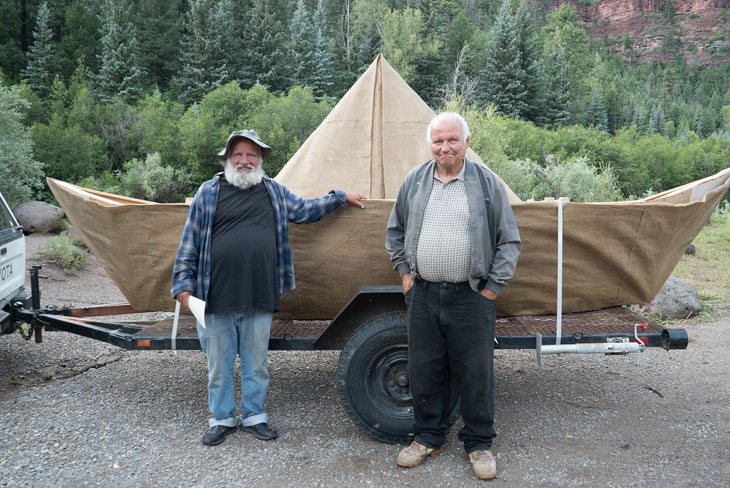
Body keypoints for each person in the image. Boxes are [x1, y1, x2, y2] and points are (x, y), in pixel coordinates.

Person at [171, 130, 366, 446]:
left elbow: (304, 210)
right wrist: (182, 286)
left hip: (259, 295)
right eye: (239, 155)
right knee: (218, 366)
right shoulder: (208, 193)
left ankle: (254, 417)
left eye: (252, 155)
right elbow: (188, 243)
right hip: (214, 297)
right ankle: (221, 420)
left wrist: (339, 197)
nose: (245, 161)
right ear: (227, 159)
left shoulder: (274, 191)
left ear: (260, 160)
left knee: (256, 365)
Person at [385, 112, 521, 479]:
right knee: (424, 369)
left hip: (472, 296)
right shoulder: (415, 180)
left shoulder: (487, 183)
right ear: (430, 144)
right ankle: (428, 437)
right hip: (424, 294)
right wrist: (404, 273)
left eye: (452, 140)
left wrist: (492, 288)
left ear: (466, 143)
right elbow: (394, 231)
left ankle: (479, 443)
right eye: (438, 141)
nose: (445, 147)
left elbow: (509, 241)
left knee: (475, 373)